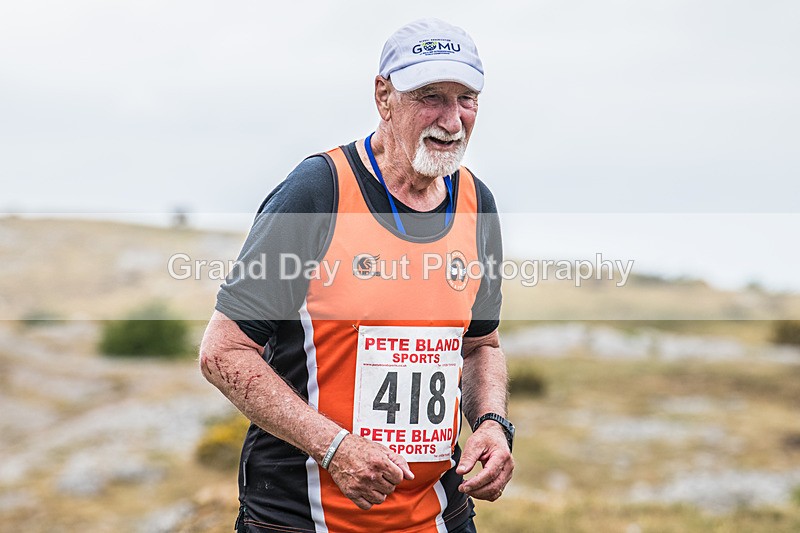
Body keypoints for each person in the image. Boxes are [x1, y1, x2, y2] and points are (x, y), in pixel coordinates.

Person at [200, 18, 514, 533]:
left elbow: (481, 345)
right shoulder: (317, 192)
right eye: (431, 96)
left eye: (467, 99)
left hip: (440, 516)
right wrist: (334, 446)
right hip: (304, 518)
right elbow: (223, 352)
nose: (452, 120)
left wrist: (491, 425)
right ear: (383, 96)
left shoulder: (478, 204)